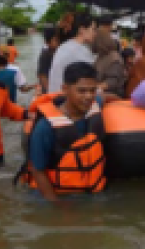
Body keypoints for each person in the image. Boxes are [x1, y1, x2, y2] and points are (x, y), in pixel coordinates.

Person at [18, 62, 106, 201]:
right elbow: (37, 170)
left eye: (92, 90)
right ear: (65, 89)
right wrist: (56, 205)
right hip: (57, 194)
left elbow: (103, 97)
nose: (88, 96)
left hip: (90, 189)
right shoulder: (45, 127)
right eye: (81, 91)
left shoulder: (94, 105)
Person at [48, 13, 97, 93]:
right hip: (63, 97)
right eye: (93, 29)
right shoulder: (81, 50)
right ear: (82, 30)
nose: (95, 33)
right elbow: (91, 79)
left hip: (54, 95)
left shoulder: (64, 45)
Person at [94, 31, 127, 97]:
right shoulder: (101, 56)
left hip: (111, 96)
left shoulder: (114, 59)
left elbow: (111, 82)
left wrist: (93, 89)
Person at [36, 28, 60, 94]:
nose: (59, 43)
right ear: (47, 42)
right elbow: (42, 76)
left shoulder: (58, 52)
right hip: (49, 91)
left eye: (60, 40)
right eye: (56, 40)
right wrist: (50, 92)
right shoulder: (45, 55)